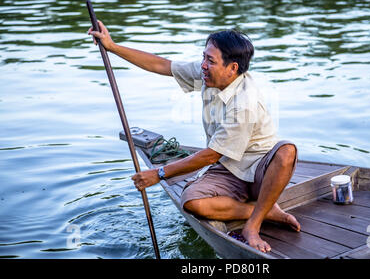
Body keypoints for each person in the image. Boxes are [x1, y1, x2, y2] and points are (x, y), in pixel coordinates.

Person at [88, 21, 301, 253]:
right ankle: (264, 210)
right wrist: (112, 46)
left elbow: (210, 155)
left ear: (232, 68)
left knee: (286, 151)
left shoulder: (244, 104)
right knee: (190, 202)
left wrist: (158, 174)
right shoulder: (207, 74)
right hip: (229, 166)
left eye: (211, 61)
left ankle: (254, 223)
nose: (203, 65)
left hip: (260, 170)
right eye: (204, 58)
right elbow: (162, 65)